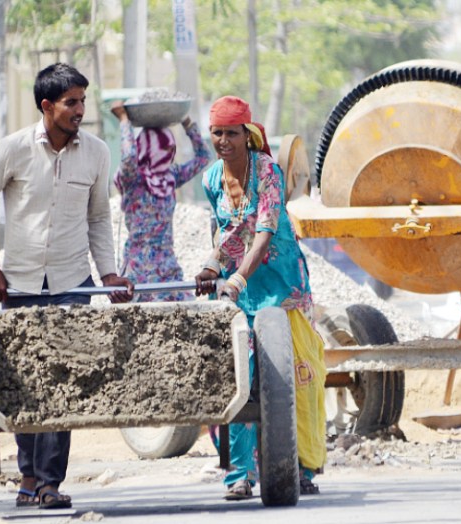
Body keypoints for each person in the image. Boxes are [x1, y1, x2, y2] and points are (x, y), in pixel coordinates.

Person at [0, 63, 134, 510]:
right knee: (25, 382)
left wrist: (108, 274)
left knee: (65, 380)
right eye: (70, 102)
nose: (80, 110)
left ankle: (49, 483)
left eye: (83, 101)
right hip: (19, 286)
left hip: (73, 282)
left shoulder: (96, 152)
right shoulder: (14, 149)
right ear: (47, 106)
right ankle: (28, 476)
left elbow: (98, 217)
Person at [194, 95, 327, 499]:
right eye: (217, 133)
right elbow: (226, 232)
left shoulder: (267, 170)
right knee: (238, 375)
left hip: (282, 283)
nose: (223, 141)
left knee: (297, 373)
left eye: (231, 133)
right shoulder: (211, 179)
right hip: (240, 286)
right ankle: (240, 474)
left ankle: (301, 467)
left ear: (248, 134)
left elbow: (264, 232)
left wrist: (235, 278)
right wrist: (212, 267)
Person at [109, 100, 211, 300]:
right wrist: (124, 120)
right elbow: (128, 158)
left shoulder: (170, 177)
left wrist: (186, 122)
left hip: (167, 266)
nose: (170, 155)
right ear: (150, 149)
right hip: (139, 268)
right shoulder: (133, 179)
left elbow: (203, 157)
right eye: (165, 149)